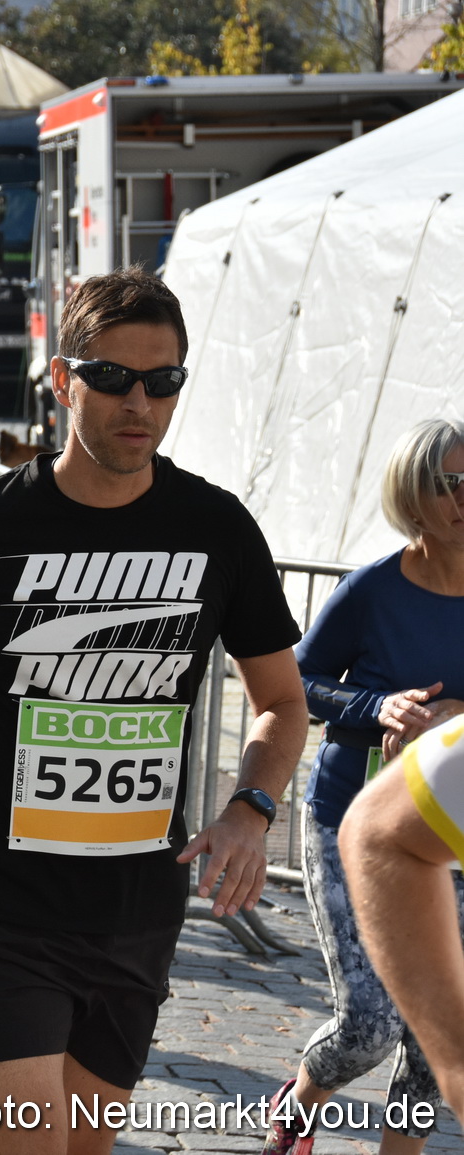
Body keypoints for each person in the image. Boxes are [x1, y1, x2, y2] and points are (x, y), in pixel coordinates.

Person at [0, 267, 310, 1155]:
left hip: (135, 909)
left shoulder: (217, 530)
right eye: (114, 377)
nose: (140, 402)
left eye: (162, 381)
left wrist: (251, 806)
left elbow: (281, 700)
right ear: (63, 381)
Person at [260, 418, 464, 1155]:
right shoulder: (373, 589)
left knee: (433, 1032)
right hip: (353, 822)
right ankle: (301, 1098)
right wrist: (378, 706)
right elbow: (296, 683)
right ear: (417, 494)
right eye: (453, 483)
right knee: (371, 1024)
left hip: (452, 835)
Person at [341, 715, 464, 1118]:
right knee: (366, 1033)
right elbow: (375, 828)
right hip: (346, 794)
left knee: (421, 1061)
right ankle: (295, 1108)